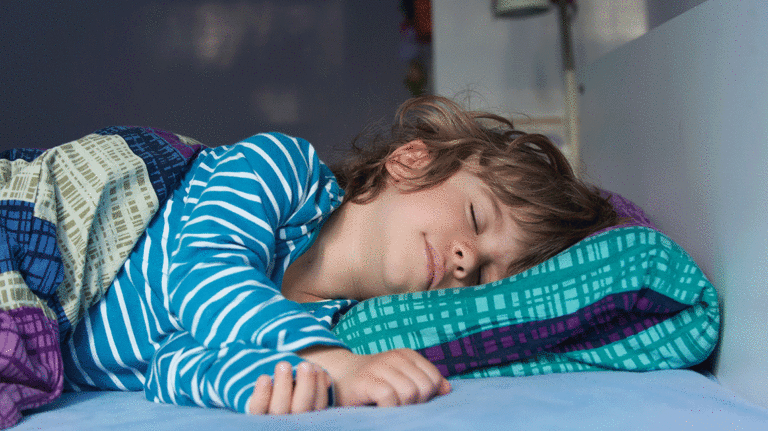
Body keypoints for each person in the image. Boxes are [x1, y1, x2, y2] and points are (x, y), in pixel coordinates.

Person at [59, 95, 619, 415]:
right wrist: (330, 362)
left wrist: (275, 384)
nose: (466, 260)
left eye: (489, 274)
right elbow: (202, 278)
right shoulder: (280, 171)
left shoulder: (332, 325)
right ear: (412, 160)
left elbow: (169, 365)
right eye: (476, 220)